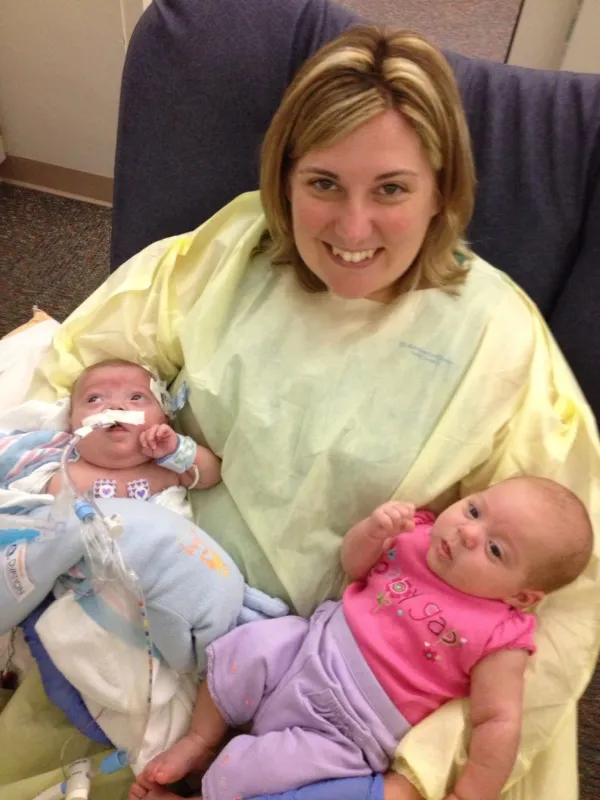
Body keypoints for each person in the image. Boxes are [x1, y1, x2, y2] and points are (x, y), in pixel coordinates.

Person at [18, 24, 600, 800]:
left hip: (352, 717)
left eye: (391, 189)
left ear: (441, 192)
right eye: (323, 183)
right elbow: (85, 365)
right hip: (145, 614)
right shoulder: (235, 251)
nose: (351, 231)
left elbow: (560, 601)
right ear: (284, 179)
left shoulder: (500, 342)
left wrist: (414, 776)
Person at [131, 477, 593, 800]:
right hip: (307, 648)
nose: (468, 533)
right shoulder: (419, 535)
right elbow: (354, 567)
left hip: (347, 729)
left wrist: (472, 793)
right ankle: (199, 740)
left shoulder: (501, 632)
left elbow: (499, 721)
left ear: (523, 596)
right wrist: (373, 532)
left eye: (495, 549)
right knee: (248, 647)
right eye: (474, 510)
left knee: (261, 773)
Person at [45, 359, 222, 500]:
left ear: (165, 417)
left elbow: (212, 475)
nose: (115, 407)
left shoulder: (167, 470)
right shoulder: (59, 461)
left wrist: (176, 449)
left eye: (136, 397)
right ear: (71, 421)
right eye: (94, 399)